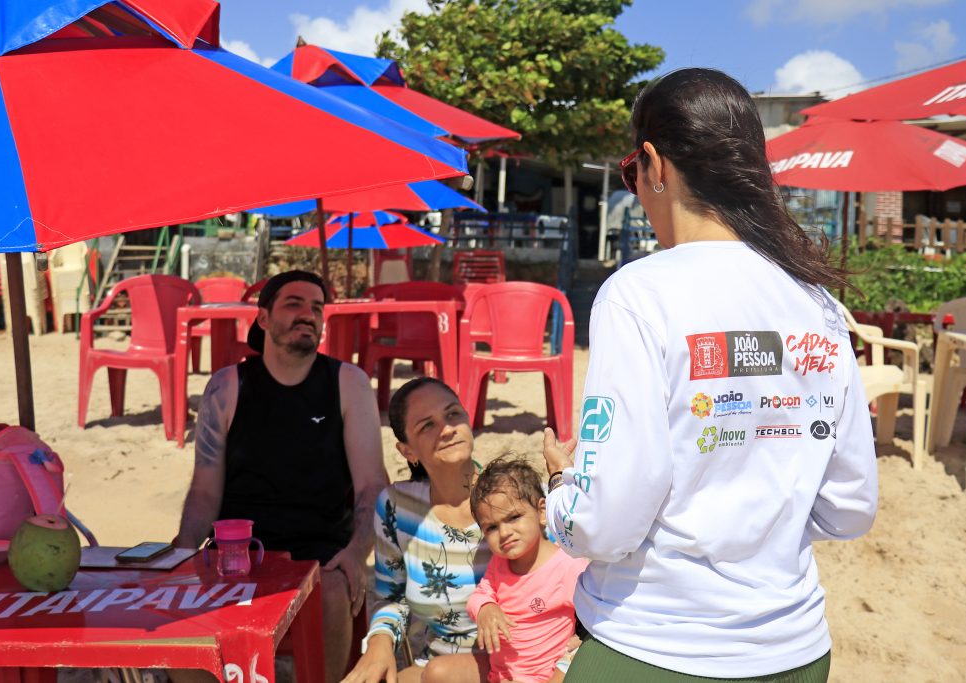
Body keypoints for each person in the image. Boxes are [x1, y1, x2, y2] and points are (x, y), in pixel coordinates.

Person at [542, 68, 878, 682]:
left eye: (631, 173)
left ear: (654, 165)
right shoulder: (817, 301)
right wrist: (758, 516)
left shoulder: (639, 293)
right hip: (796, 649)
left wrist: (562, 489)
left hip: (653, 645)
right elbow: (850, 508)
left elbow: (605, 524)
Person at [173, 270, 387, 683]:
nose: (308, 314)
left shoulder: (348, 383)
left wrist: (357, 551)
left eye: (317, 308)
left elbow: (371, 485)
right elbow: (204, 490)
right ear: (264, 318)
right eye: (294, 304)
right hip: (235, 555)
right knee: (178, 608)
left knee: (333, 590)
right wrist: (183, 548)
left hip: (319, 555)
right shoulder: (227, 386)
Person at [343, 377, 491, 683]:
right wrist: (379, 643)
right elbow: (392, 597)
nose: (447, 429)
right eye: (428, 425)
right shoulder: (397, 507)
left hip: (516, 664)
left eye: (453, 414)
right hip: (434, 667)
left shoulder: (514, 500)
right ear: (407, 451)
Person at [467, 457, 588, 683]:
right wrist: (485, 607)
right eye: (492, 527)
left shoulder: (568, 566)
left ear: (542, 512)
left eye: (514, 517)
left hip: (548, 675)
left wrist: (579, 645)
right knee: (437, 672)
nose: (504, 533)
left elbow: (597, 612)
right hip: (500, 675)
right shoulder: (499, 564)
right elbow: (479, 595)